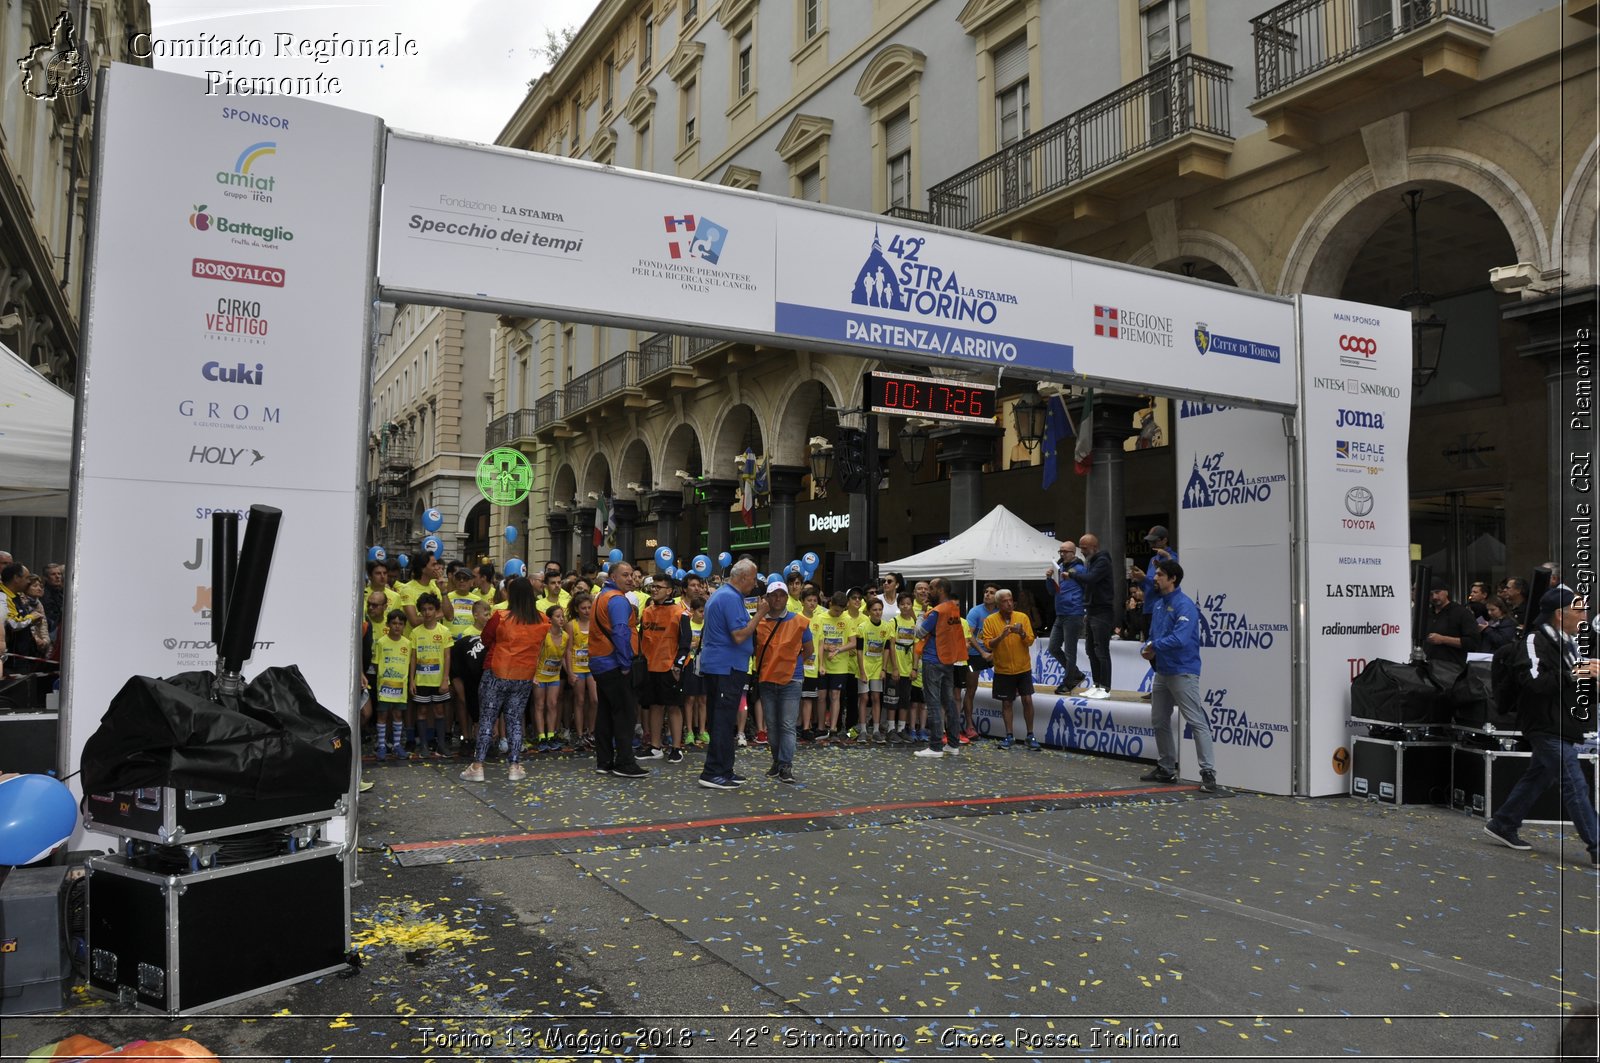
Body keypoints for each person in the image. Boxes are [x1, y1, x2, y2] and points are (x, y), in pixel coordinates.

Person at [1482, 590, 1599, 867]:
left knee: (1540, 776)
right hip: (1544, 724)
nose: (1585, 617)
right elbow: (1535, 683)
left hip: (1562, 723)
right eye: (1580, 611)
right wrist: (1578, 673)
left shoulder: (1570, 643)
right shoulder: (1535, 640)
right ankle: (1596, 844)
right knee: (1574, 783)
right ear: (1561, 614)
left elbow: (1570, 687)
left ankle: (1503, 822)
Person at [461, 576, 551, 783]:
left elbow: (485, 639)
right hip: (524, 675)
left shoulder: (501, 616)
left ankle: (478, 766)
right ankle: (514, 765)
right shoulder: (542, 619)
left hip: (497, 671)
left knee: (487, 719)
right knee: (514, 720)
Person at [1139, 560, 1218, 793]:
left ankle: (1208, 773)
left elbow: (1180, 639)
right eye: (1156, 574)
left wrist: (1153, 645)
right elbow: (1154, 635)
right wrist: (1148, 646)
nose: (1155, 578)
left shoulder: (1185, 605)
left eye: (1160, 575)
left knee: (1196, 721)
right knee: (1159, 720)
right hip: (1163, 671)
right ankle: (1166, 768)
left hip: (1183, 670)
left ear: (1173, 579)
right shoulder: (1159, 605)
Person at [698, 559, 766, 789]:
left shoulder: (727, 595)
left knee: (725, 720)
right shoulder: (728, 597)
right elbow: (739, 635)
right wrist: (760, 614)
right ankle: (713, 771)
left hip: (725, 666)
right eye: (753, 578)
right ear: (743, 577)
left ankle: (725, 769)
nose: (755, 583)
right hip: (724, 667)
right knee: (722, 720)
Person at [589, 561, 650, 779]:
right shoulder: (617, 600)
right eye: (625, 575)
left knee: (605, 713)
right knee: (624, 714)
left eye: (631, 575)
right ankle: (624, 762)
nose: (630, 579)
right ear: (613, 577)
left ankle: (604, 761)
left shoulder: (601, 597)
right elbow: (621, 633)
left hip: (600, 662)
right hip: (614, 663)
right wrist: (626, 664)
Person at [753, 580, 815, 784]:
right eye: (774, 595)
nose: (778, 598)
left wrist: (794, 663)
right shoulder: (759, 622)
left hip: (791, 678)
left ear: (787, 598)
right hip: (767, 678)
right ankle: (777, 762)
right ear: (767, 598)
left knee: (787, 724)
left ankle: (786, 765)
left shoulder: (799, 621)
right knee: (772, 725)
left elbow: (809, 650)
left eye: (781, 595)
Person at [914, 576, 968, 758]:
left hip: (933, 659)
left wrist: (922, 613)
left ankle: (935, 746)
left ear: (941, 590)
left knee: (933, 702)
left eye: (931, 588)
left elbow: (919, 632)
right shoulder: (953, 608)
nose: (928, 591)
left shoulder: (937, 611)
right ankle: (952, 744)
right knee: (949, 702)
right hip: (947, 660)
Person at [640, 575, 692, 762]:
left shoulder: (680, 613)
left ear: (669, 591)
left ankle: (676, 747)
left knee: (674, 706)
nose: (654, 590)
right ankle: (655, 746)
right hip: (650, 666)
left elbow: (686, 643)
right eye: (653, 587)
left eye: (659, 587)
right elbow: (641, 639)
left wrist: (678, 664)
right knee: (655, 705)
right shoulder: (647, 611)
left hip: (670, 667)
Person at [981, 589, 1038, 749]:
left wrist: (1021, 633)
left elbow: (1030, 641)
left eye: (1010, 600)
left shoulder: (1022, 617)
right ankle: (1009, 735)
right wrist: (1001, 636)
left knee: (1027, 700)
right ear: (998, 604)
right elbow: (987, 644)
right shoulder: (990, 620)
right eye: (1005, 601)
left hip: (1023, 667)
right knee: (1006, 702)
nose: (1009, 603)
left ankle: (1030, 735)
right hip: (1003, 669)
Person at [409, 592, 453, 757]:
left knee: (439, 711)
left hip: (439, 681)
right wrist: (412, 680)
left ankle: (441, 745)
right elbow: (413, 658)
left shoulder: (444, 631)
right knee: (421, 712)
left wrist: (445, 679)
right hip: (421, 680)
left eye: (430, 609)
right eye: (424, 610)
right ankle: (424, 746)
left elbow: (447, 656)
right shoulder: (415, 633)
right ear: (420, 611)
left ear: (436, 610)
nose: (427, 613)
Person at [1072, 533, 1115, 698]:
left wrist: (1073, 574)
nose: (1081, 551)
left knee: (1101, 650)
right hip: (1091, 611)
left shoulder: (1102, 561)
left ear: (1094, 547)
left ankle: (1105, 687)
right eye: (1080, 547)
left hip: (1102, 611)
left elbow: (1090, 579)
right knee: (1091, 649)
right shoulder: (1092, 562)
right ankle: (1097, 684)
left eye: (1084, 547)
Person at [811, 591, 856, 743]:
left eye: (841, 611)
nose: (838, 613)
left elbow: (853, 642)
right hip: (822, 663)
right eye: (836, 610)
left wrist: (838, 649)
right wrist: (826, 649)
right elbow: (818, 641)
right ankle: (821, 727)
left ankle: (834, 728)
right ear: (830, 604)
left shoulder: (848, 619)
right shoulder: (821, 618)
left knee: (835, 696)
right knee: (822, 696)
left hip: (840, 665)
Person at [1045, 540, 1088, 696]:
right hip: (1061, 613)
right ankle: (1075, 674)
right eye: (1060, 551)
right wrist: (1049, 578)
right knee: (1053, 647)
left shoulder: (1080, 570)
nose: (1062, 554)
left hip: (1074, 613)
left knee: (1070, 651)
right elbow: (1052, 591)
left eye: (1065, 551)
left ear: (1073, 553)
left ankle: (1069, 682)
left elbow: (1088, 589)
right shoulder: (1059, 568)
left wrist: (1085, 610)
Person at [450, 599, 492, 756]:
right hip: (467, 678)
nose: (488, 617)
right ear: (475, 615)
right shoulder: (467, 633)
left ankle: (485, 739)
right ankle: (466, 738)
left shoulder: (491, 633)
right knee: (465, 706)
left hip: (484, 677)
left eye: (490, 614)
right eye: (485, 614)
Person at [372, 609, 412, 762]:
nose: (397, 626)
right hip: (384, 686)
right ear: (388, 624)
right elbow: (376, 665)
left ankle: (396, 745)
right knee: (382, 715)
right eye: (394, 623)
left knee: (397, 715)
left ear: (404, 626)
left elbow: (409, 665)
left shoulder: (407, 643)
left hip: (400, 687)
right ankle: (381, 745)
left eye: (400, 624)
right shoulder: (381, 642)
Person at [962, 585, 998, 738]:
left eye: (991, 593)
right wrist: (982, 652)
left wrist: (993, 652)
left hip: (993, 651)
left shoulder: (999, 612)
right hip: (974, 654)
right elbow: (969, 635)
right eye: (986, 592)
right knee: (971, 689)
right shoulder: (975, 611)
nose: (987, 595)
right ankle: (969, 725)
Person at [855, 596, 892, 743]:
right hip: (864, 666)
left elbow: (887, 649)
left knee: (876, 697)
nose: (878, 612)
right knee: (864, 698)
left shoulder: (886, 627)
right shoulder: (862, 628)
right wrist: (862, 672)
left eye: (880, 610)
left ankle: (876, 730)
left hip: (878, 667)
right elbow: (858, 651)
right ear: (869, 611)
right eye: (874, 610)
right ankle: (863, 730)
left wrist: (883, 669)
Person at [1424, 578, 1479, 666]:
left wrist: (1443, 639)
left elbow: (1472, 642)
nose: (1434, 597)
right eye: (1431, 594)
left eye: (1437, 592)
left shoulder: (1461, 613)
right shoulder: (1427, 614)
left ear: (1446, 592)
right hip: (1430, 667)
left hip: (1453, 670)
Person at [566, 593, 597, 749]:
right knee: (579, 700)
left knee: (594, 699)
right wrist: (570, 672)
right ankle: (579, 734)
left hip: (592, 667)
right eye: (583, 608)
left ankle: (591, 732)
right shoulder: (572, 624)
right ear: (577, 609)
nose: (586, 611)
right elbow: (568, 649)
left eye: (589, 607)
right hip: (577, 666)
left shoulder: (595, 622)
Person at [41, 562, 64, 640]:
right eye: (53, 574)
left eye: (59, 574)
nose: (57, 577)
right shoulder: (43, 594)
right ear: (46, 578)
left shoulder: (62, 592)